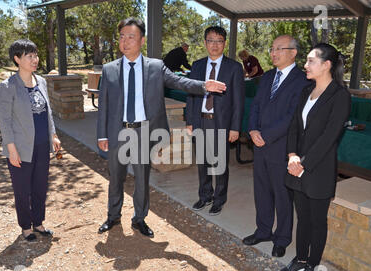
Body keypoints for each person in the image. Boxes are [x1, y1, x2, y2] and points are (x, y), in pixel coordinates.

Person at [97, 17, 226, 238]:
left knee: (141, 179)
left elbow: (179, 82)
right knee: (116, 177)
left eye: (131, 36)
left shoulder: (155, 67)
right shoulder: (109, 70)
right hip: (118, 131)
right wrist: (101, 135)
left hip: (143, 132)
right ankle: (113, 216)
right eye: (122, 37)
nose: (125, 41)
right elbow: (104, 105)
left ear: (142, 40)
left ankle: (139, 219)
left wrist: (204, 85)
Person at [280, 43, 350, 271]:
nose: (306, 65)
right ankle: (300, 259)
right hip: (296, 165)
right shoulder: (305, 91)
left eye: (311, 61)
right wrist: (291, 155)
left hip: (318, 170)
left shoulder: (340, 96)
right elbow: (294, 128)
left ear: (326, 65)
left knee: (318, 221)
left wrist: (304, 164)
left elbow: (329, 137)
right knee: (304, 218)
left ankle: (312, 265)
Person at [243, 35, 311, 257]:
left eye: (279, 49)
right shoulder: (267, 76)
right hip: (259, 144)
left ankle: (282, 238)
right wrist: (252, 130)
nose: (273, 53)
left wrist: (266, 135)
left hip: (283, 147)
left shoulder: (303, 81)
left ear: (293, 52)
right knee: (261, 191)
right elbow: (255, 106)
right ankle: (263, 230)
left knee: (282, 195)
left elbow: (293, 116)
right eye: (272, 49)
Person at [0, 39, 61, 242]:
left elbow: (48, 112)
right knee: (22, 189)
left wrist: (54, 135)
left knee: (40, 186)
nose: (35, 59)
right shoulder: (8, 87)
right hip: (21, 148)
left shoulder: (41, 81)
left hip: (43, 145)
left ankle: (38, 223)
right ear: (17, 59)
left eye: (36, 55)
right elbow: (4, 121)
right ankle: (26, 227)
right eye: (29, 56)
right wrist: (11, 149)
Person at [186, 26, 245, 215]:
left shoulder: (234, 67)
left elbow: (238, 101)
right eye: (210, 40)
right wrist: (190, 121)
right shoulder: (197, 66)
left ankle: (219, 199)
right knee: (202, 163)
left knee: (219, 164)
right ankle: (204, 196)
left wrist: (235, 128)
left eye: (219, 41)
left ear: (224, 44)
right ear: (205, 43)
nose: (214, 45)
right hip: (200, 120)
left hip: (221, 123)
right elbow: (191, 95)